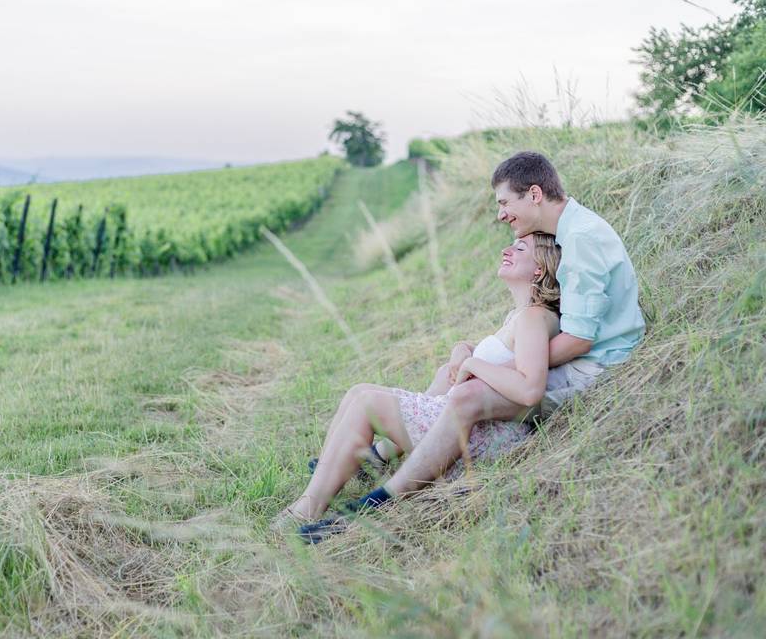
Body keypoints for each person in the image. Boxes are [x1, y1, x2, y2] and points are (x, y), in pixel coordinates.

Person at [288, 151, 646, 544]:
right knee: (450, 377)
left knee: (468, 392)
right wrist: (476, 355)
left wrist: (493, 365)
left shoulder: (579, 238)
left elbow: (579, 340)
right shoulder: (568, 236)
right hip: (582, 357)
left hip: (594, 368)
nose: (501, 215)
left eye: (505, 203)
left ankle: (378, 500)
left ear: (535, 194)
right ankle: (379, 456)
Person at [272, 231, 563, 537]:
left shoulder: (533, 317)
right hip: (471, 422)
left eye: (519, 248)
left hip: (484, 437)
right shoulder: (519, 316)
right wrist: (464, 350)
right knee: (358, 392)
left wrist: (473, 363)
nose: (506, 249)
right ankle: (327, 478)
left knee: (366, 402)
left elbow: (529, 389)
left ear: (539, 269)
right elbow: (507, 359)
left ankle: (307, 508)